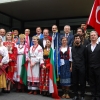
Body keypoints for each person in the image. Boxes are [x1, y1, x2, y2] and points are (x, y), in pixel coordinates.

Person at [86, 31, 100, 100]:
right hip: (90, 68)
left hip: (98, 68)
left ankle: (98, 96)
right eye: (91, 35)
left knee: (98, 82)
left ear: (97, 36)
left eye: (94, 35)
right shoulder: (87, 46)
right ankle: (93, 95)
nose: (93, 36)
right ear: (90, 37)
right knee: (92, 83)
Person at [72, 34, 86, 100]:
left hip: (82, 67)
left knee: (82, 82)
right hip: (74, 67)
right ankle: (75, 95)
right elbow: (71, 58)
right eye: (76, 38)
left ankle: (82, 96)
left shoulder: (84, 48)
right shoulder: (72, 48)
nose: (77, 39)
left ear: (80, 39)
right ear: (74, 40)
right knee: (75, 82)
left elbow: (86, 58)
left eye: (78, 38)